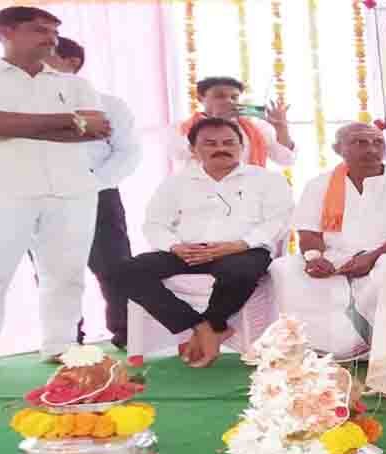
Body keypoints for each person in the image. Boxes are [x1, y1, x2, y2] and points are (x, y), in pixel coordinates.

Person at [0, 6, 112, 375]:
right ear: (5, 32)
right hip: (3, 190)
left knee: (66, 273)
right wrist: (69, 122)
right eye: (39, 30)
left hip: (72, 189)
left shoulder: (75, 84)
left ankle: (61, 345)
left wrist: (13, 126)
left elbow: (98, 130)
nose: (51, 39)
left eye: (53, 32)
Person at [122, 118, 292, 368]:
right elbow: (154, 224)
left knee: (239, 272)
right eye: (210, 143)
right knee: (125, 271)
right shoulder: (176, 182)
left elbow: (278, 221)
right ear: (193, 149)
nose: (220, 148)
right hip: (188, 251)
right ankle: (201, 327)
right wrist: (175, 246)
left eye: (229, 142)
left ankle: (212, 325)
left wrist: (238, 245)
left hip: (242, 251)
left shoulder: (267, 180)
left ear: (241, 146)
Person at [269, 122, 386, 358]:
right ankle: (327, 348)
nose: (371, 149)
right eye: (360, 142)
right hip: (336, 253)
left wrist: (372, 257)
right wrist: (314, 258)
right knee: (284, 269)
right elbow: (308, 230)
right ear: (338, 149)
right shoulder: (319, 184)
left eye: (378, 142)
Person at [44, 36, 141, 349]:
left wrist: (89, 184)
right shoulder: (23, 107)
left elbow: (128, 153)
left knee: (114, 267)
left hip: (98, 193)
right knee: (53, 273)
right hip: (43, 197)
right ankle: (65, 341)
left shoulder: (108, 104)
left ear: (71, 62)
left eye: (46, 56)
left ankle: (128, 333)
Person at [175, 76, 295, 168]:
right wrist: (216, 121)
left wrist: (281, 128)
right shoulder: (181, 128)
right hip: (201, 189)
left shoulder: (257, 128)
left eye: (234, 97)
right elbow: (180, 154)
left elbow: (286, 160)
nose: (229, 101)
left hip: (250, 189)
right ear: (200, 98)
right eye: (220, 96)